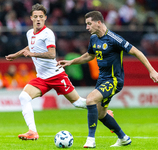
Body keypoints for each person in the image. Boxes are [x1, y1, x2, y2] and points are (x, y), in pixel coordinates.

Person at [57, 11, 158, 148]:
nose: (87, 27)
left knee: (91, 99)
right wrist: (71, 62)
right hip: (102, 80)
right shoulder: (94, 38)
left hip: (114, 80)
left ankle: (90, 140)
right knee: (100, 114)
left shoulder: (114, 38)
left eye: (89, 24)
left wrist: (151, 70)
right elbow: (89, 55)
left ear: (99, 22)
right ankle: (123, 138)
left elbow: (136, 51)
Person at [5, 3, 89, 141]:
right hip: (42, 78)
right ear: (31, 18)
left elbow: (51, 54)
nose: (38, 19)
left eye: (41, 17)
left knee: (78, 103)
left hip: (56, 75)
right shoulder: (29, 33)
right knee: (24, 97)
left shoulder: (48, 33)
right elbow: (31, 46)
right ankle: (32, 131)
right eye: (35, 16)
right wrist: (16, 54)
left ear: (45, 18)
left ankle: (102, 109)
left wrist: (31, 54)